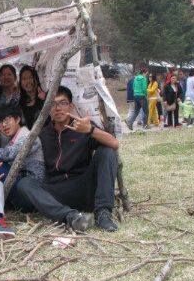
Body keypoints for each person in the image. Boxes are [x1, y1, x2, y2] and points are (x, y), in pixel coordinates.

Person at [12, 87, 120, 232]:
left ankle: (103, 213)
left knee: (107, 151)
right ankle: (71, 217)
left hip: (85, 185)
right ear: (48, 108)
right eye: (52, 104)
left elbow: (115, 143)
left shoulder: (83, 128)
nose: (58, 108)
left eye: (63, 103)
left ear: (71, 106)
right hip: (57, 192)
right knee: (24, 183)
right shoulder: (42, 134)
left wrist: (91, 130)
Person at [0, 104, 46, 190]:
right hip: (20, 184)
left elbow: (9, 154)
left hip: (32, 187)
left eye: (7, 120)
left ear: (17, 119)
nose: (4, 125)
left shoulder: (29, 137)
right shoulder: (11, 141)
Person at [18, 65, 45, 129]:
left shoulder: (46, 97)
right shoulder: (18, 103)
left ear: (36, 79)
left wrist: (45, 100)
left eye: (30, 78)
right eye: (24, 79)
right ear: (20, 82)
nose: (28, 81)